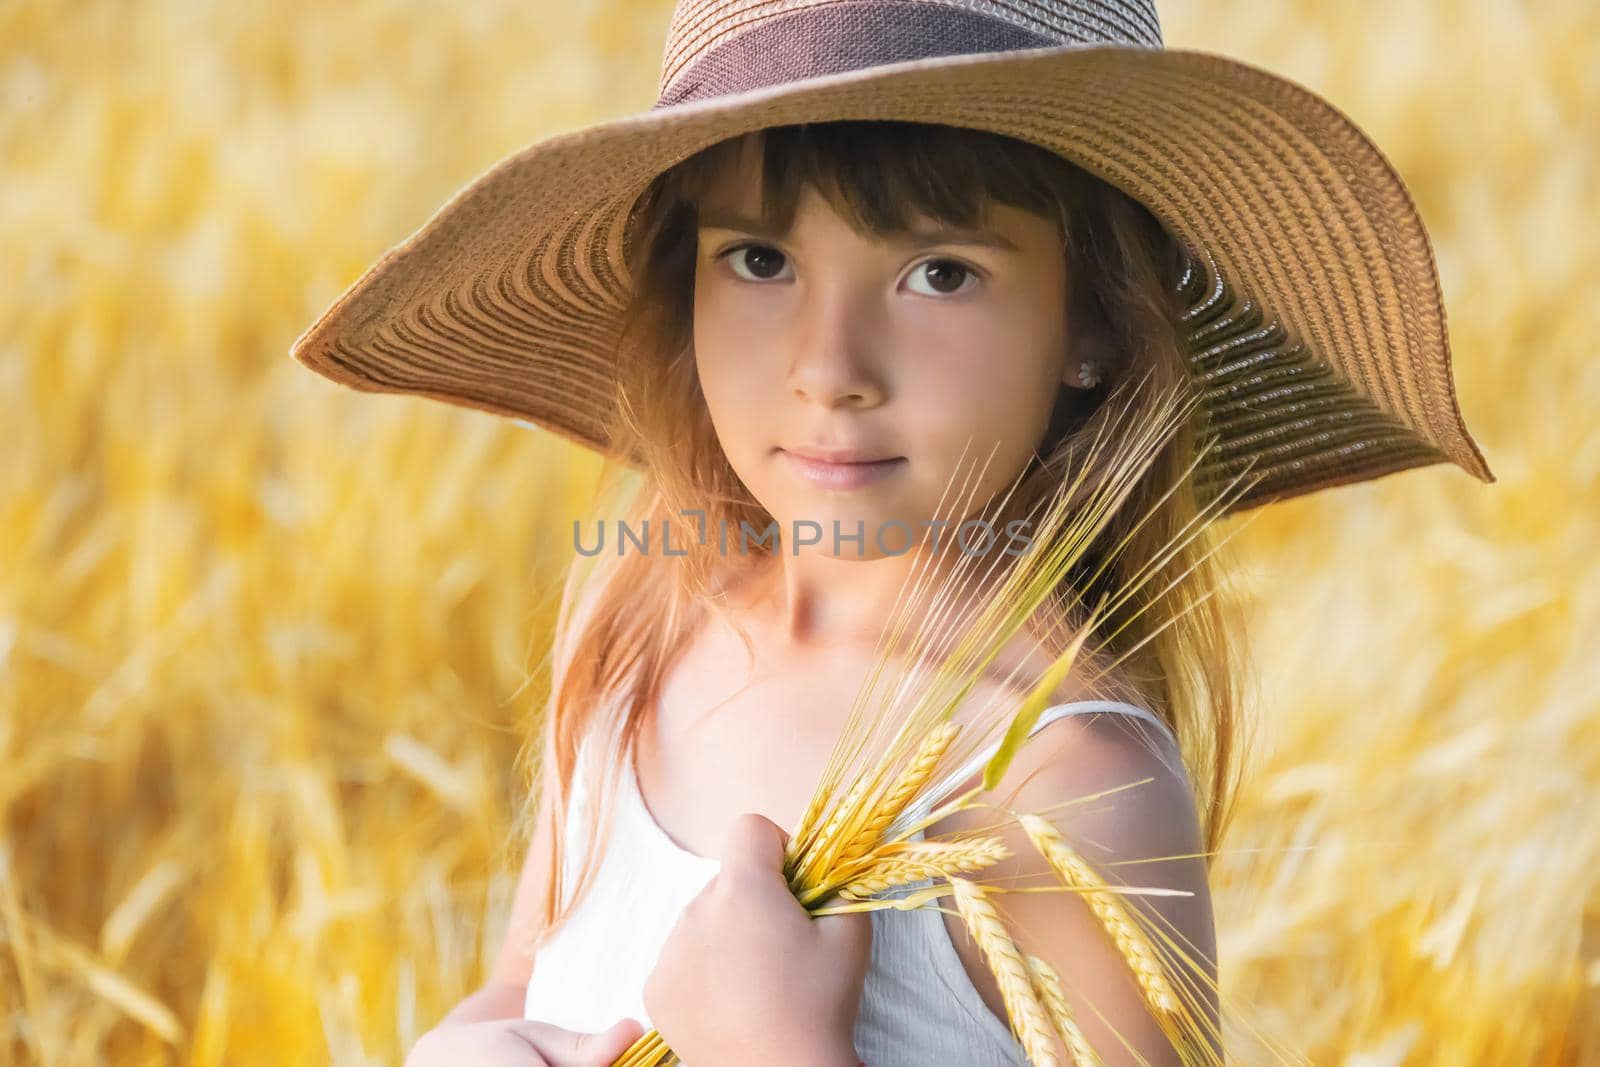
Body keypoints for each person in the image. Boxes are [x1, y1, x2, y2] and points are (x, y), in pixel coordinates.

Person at [290, 1, 1495, 1064]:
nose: (829, 369)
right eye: (759, 258)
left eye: (940, 274)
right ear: (683, 286)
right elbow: (529, 970)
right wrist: (471, 1036)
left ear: (1094, 329)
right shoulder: (637, 618)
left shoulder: (1059, 774)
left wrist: (777, 1049)